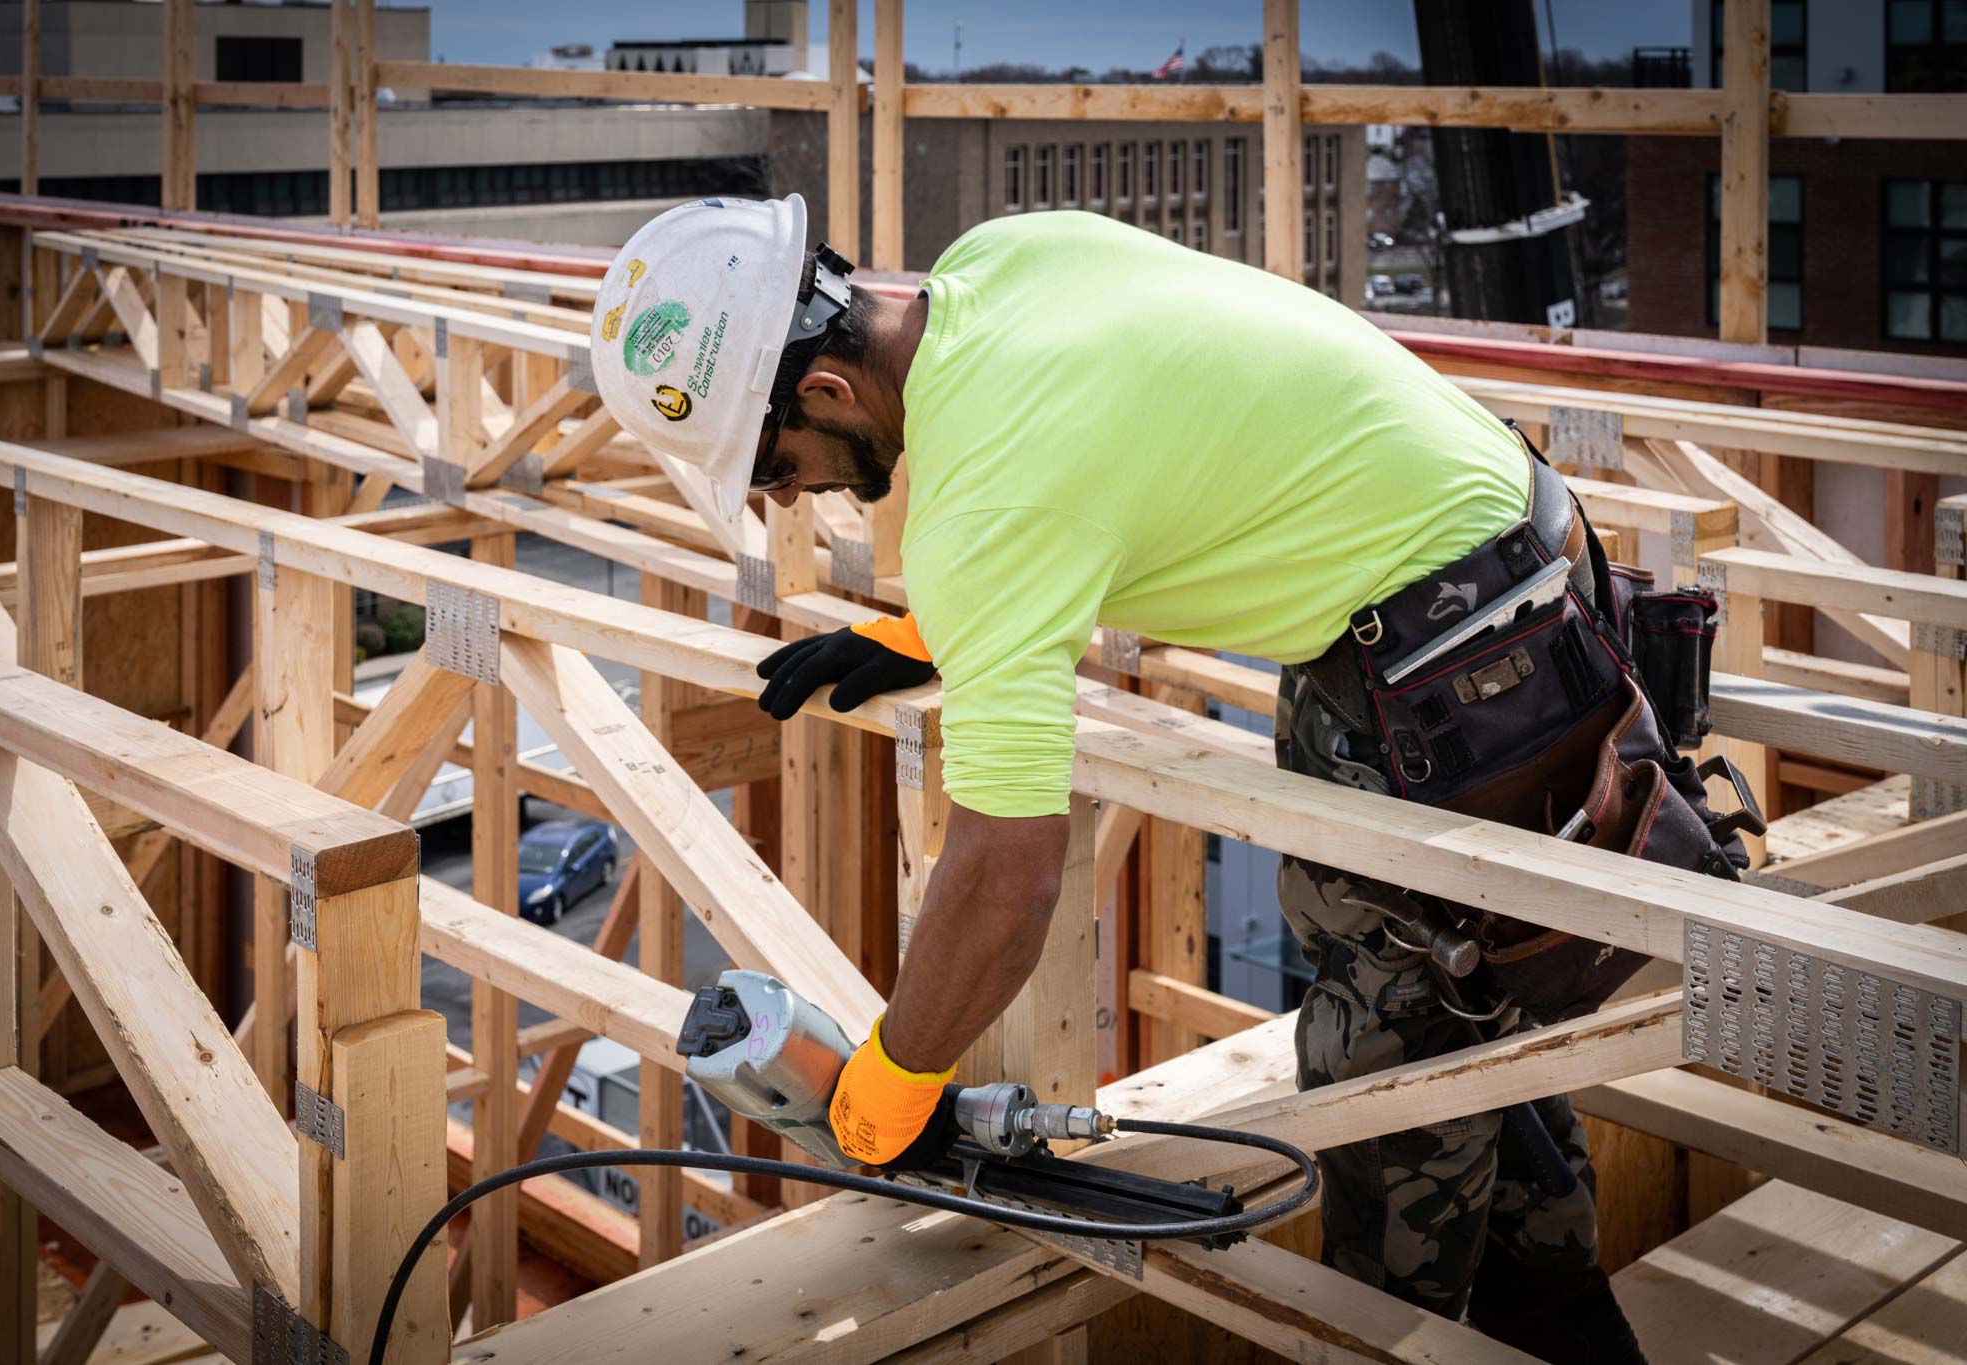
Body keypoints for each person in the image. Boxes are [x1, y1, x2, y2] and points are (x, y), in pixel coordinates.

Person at [589, 194, 1756, 1364]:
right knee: (1471, 1003)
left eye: (777, 467)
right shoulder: (1004, 258)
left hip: (1453, 672)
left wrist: (893, 1083)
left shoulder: (986, 510)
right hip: (1527, 565)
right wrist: (941, 633)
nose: (792, 498)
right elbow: (1137, 446)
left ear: (828, 390)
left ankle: (1388, 1338)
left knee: (1389, 1064)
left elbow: (1004, 878)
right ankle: (1570, 1329)